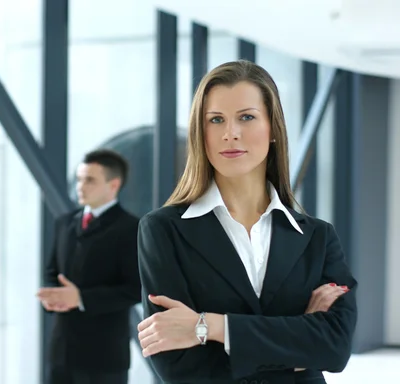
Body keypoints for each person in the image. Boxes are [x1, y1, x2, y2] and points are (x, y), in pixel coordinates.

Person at [136, 60, 357, 384]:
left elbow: (335, 349)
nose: (230, 134)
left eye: (247, 117)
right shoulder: (164, 230)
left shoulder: (318, 237)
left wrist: (209, 326)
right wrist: (298, 350)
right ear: (202, 133)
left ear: (272, 130)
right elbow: (178, 367)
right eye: (216, 120)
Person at [36, 149, 141, 384]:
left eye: (90, 180)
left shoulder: (131, 228)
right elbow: (52, 271)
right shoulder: (65, 222)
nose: (80, 186)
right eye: (80, 178)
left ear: (113, 185)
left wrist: (81, 298)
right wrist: (53, 295)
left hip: (104, 356)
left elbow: (136, 289)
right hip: (61, 352)